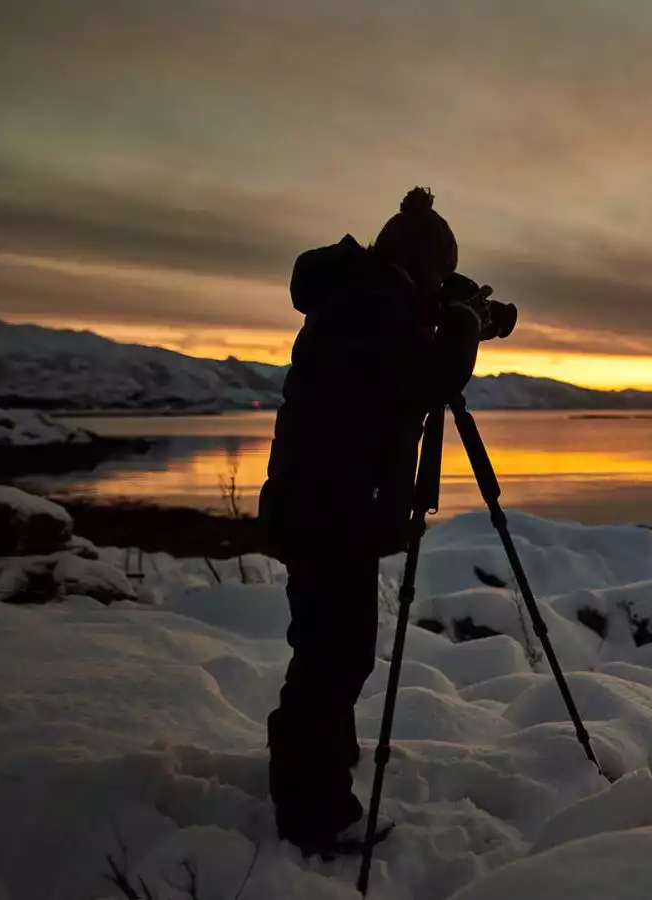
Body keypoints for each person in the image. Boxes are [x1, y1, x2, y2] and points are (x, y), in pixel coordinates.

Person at [258, 187, 481, 851]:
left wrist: (448, 310)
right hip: (329, 511)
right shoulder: (370, 308)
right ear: (422, 267)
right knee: (333, 656)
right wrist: (464, 322)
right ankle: (312, 812)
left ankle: (325, 763)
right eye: (438, 276)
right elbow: (432, 379)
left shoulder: (357, 298)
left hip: (323, 507)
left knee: (331, 648)